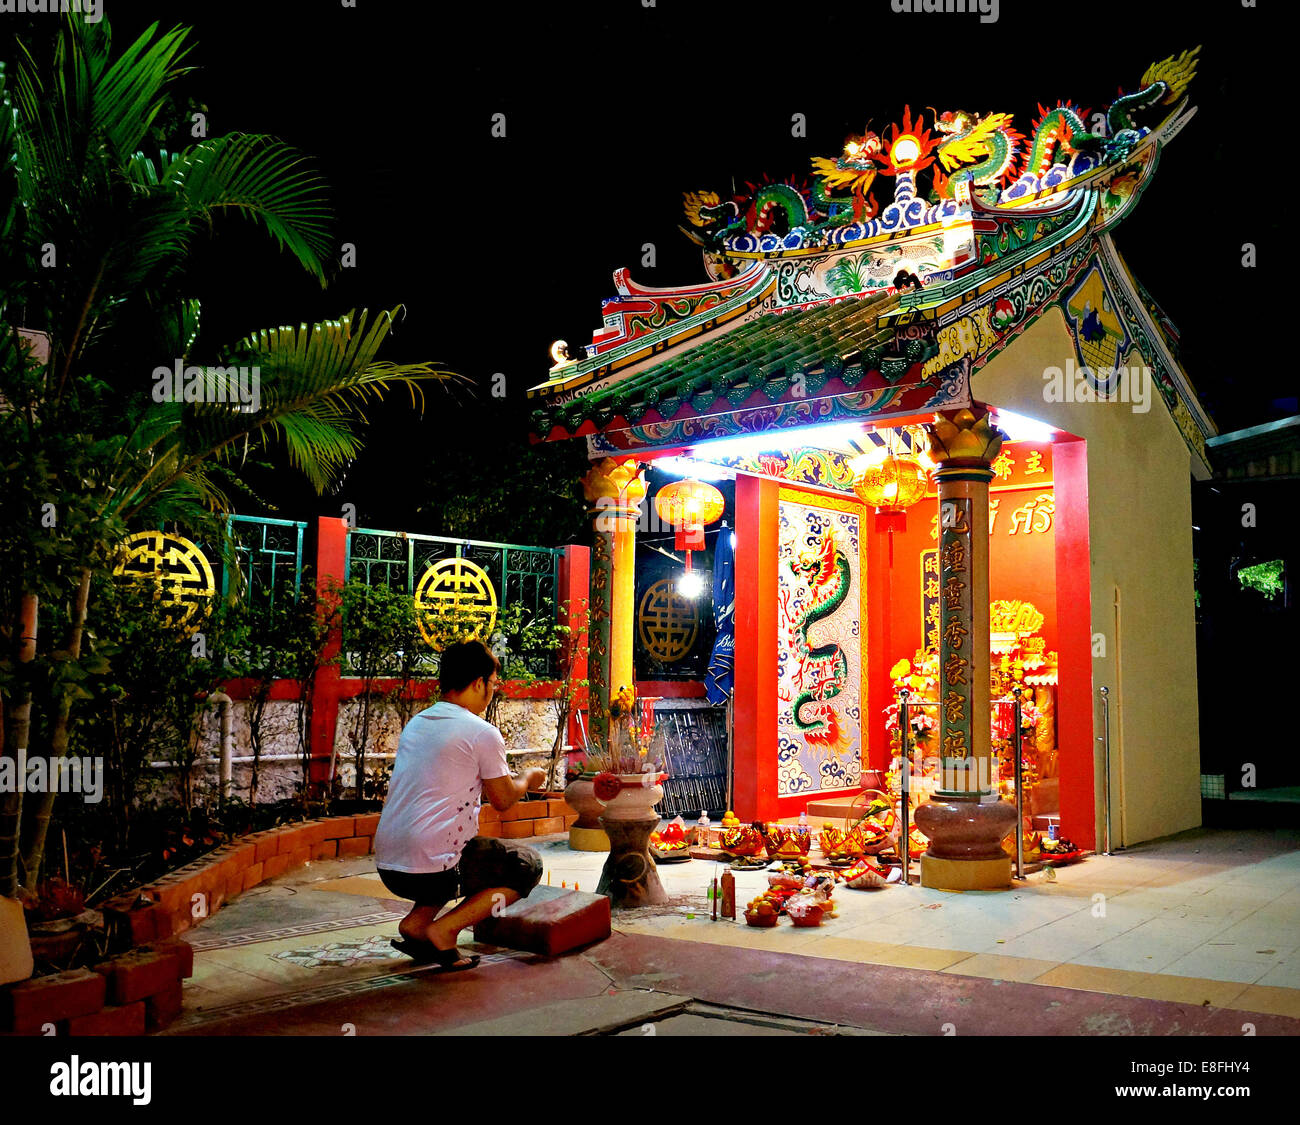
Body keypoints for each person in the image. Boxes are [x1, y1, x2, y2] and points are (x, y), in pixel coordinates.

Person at [373, 639, 546, 972]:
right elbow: (504, 800)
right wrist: (527, 779)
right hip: (431, 870)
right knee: (526, 865)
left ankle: (415, 924)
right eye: (493, 684)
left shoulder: (417, 724)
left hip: (388, 863)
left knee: (453, 843)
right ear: (479, 682)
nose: (492, 691)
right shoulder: (481, 732)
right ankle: (444, 930)